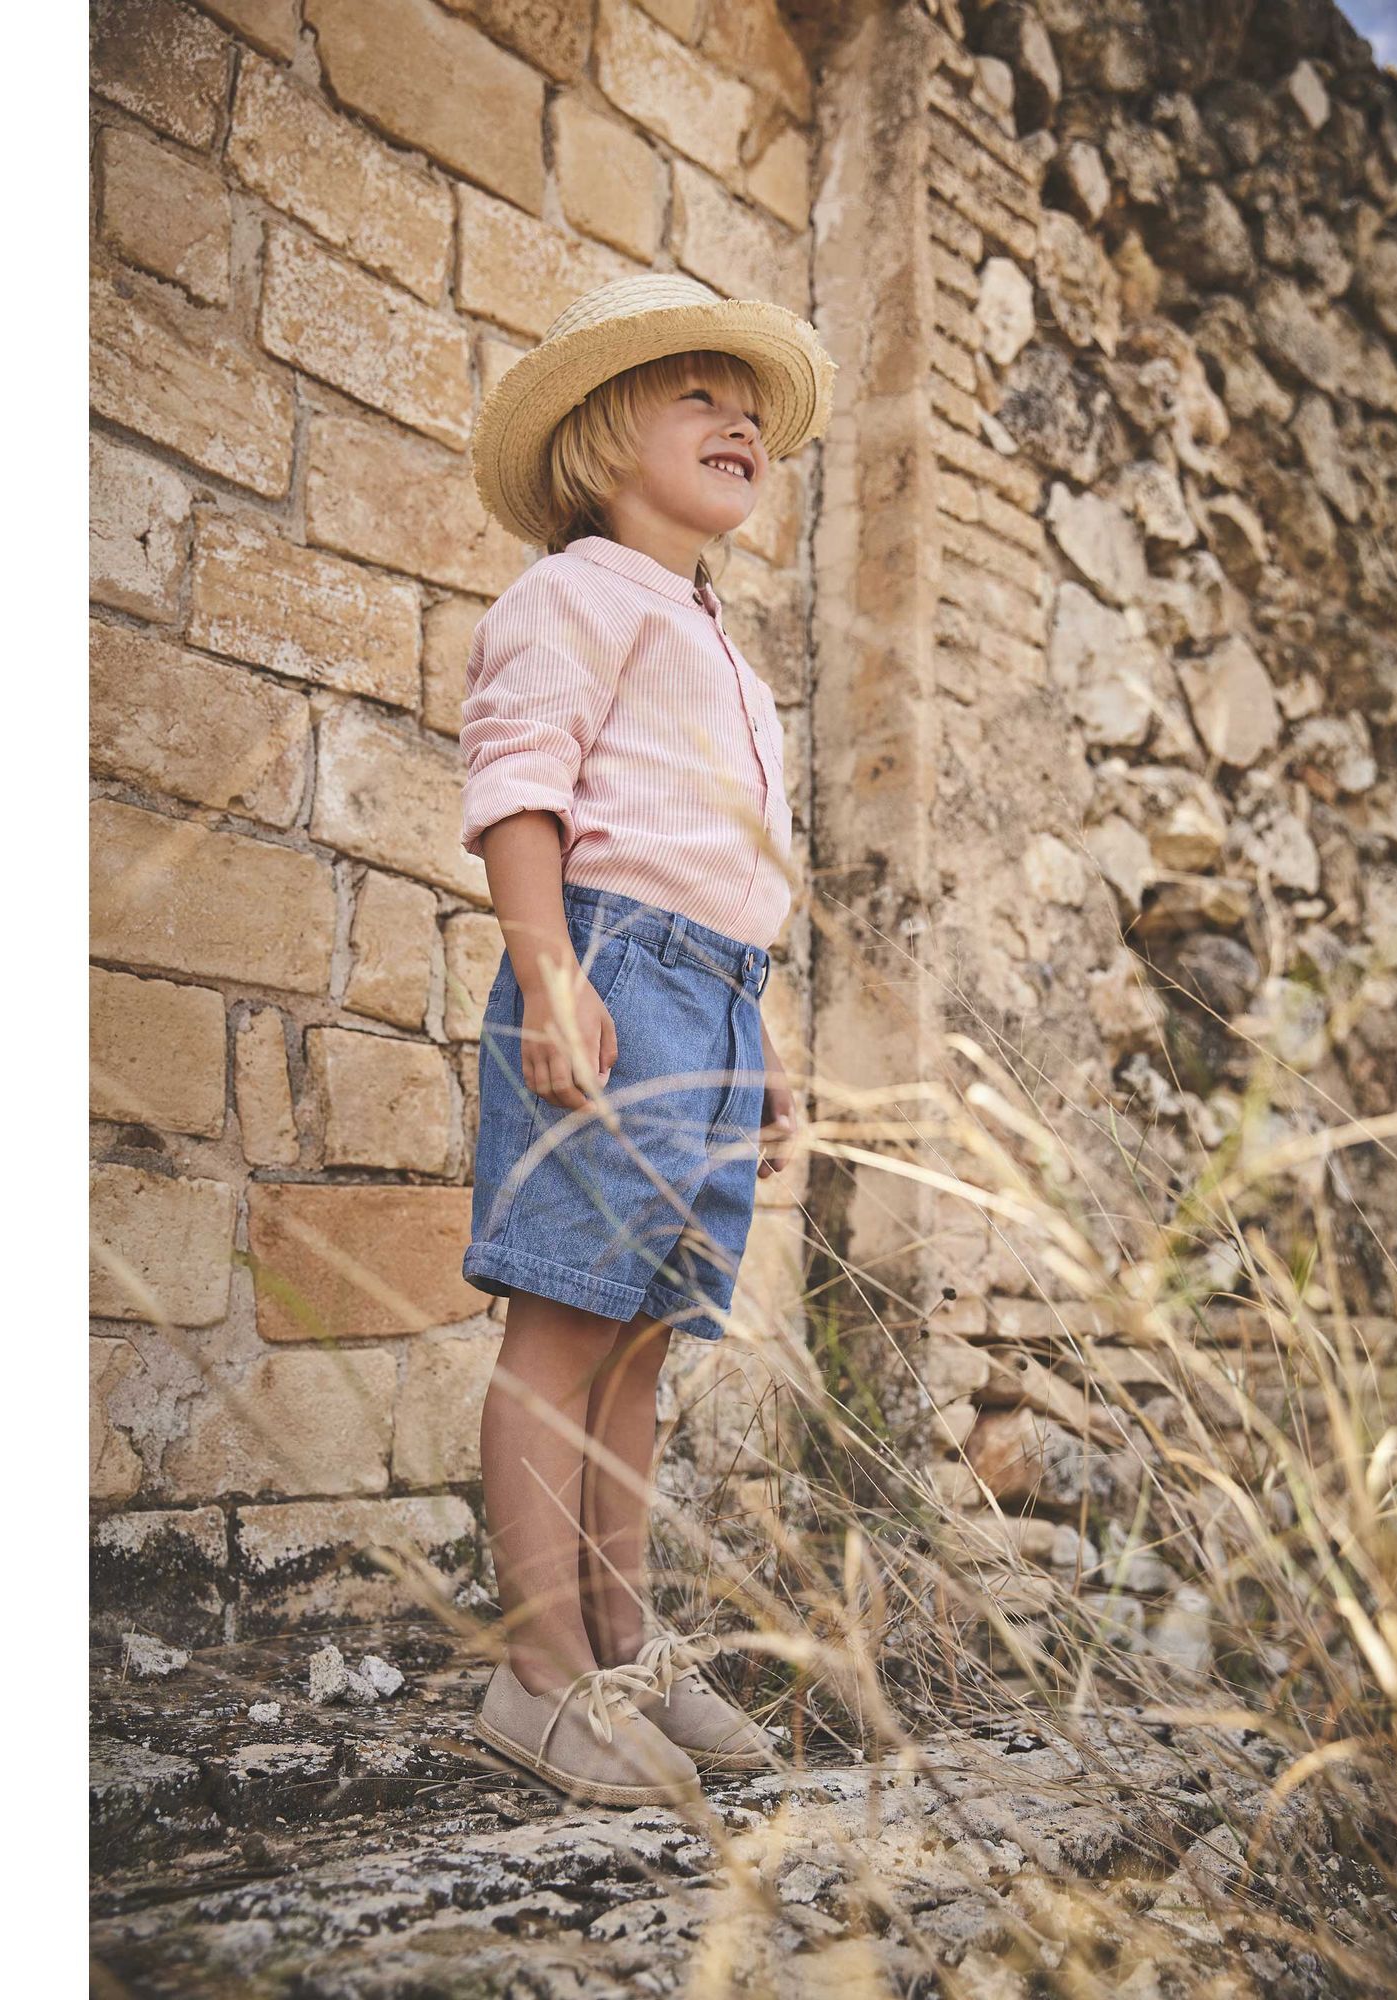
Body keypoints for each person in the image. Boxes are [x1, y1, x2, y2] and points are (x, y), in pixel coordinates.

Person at [456, 273, 838, 1810]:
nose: (741, 418)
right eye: (699, 397)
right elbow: (520, 787)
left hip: (718, 996)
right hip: (613, 969)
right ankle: (537, 1673)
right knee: (561, 1328)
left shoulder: (726, 649)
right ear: (604, 442)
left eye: (752, 408)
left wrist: (765, 1039)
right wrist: (549, 972)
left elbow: (726, 859)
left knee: (641, 1340)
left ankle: (620, 1642)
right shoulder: (574, 595)